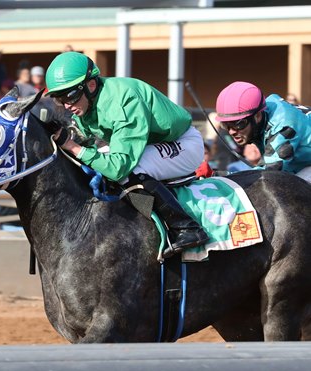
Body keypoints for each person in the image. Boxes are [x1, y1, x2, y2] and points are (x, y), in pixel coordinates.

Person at [44, 51, 209, 257]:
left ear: (91, 85)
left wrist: (74, 147)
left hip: (182, 144)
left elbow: (119, 166)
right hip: (149, 145)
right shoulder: (86, 104)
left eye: (70, 96)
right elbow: (86, 143)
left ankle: (186, 228)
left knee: (126, 172)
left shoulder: (123, 99)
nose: (67, 105)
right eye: (59, 99)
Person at [215, 81, 311, 183]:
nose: (231, 132)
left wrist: (219, 175)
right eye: (226, 125)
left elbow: (266, 174)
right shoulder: (263, 112)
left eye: (238, 124)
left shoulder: (283, 127)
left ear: (257, 116)